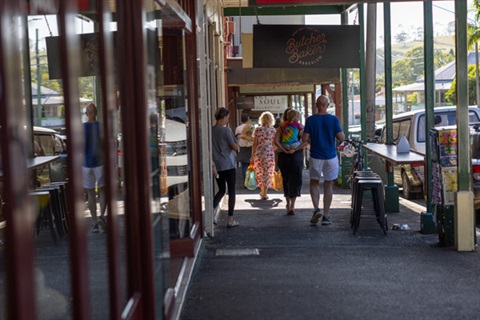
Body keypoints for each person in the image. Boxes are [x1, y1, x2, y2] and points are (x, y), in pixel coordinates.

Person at [302, 95, 345, 225]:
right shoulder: (333, 119)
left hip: (316, 156)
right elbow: (342, 138)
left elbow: (304, 139)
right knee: (328, 185)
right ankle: (326, 216)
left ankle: (316, 209)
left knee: (314, 183)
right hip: (331, 156)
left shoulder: (310, 120)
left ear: (316, 105)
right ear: (327, 105)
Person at [275, 108, 307, 215]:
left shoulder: (281, 126)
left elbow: (276, 141)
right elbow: (305, 142)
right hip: (296, 155)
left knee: (286, 179)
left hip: (284, 155)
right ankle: (292, 205)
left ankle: (288, 204)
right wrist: (296, 150)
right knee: (296, 179)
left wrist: (284, 149)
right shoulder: (300, 126)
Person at [212, 107, 240, 228]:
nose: (228, 120)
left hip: (216, 165)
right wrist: (237, 139)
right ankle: (230, 220)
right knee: (232, 191)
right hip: (228, 164)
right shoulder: (226, 131)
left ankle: (210, 214)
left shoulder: (210, 131)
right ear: (223, 118)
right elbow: (235, 147)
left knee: (221, 190)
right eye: (227, 117)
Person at [83, 103, 107, 233]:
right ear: (96, 113)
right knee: (103, 190)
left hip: (86, 164)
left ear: (87, 114)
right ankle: (102, 216)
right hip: (101, 163)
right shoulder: (101, 127)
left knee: (90, 192)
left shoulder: (82, 128)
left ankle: (94, 222)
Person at [251, 111, 276, 200]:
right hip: (269, 153)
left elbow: (254, 144)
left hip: (259, 152)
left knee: (260, 172)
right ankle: (264, 192)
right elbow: (275, 143)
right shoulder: (273, 130)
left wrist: (252, 156)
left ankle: (262, 192)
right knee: (267, 172)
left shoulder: (258, 129)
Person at [235, 114, 254, 182]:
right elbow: (253, 137)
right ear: (248, 119)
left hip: (242, 148)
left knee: (244, 165)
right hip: (250, 147)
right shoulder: (251, 127)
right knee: (250, 165)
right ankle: (250, 180)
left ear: (241, 120)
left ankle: (245, 181)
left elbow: (236, 138)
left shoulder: (238, 128)